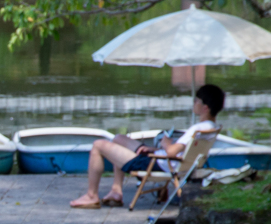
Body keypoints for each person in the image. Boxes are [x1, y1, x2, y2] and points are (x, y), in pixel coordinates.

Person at [69, 84, 224, 209]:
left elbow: (171, 151)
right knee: (118, 139)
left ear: (205, 107)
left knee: (98, 145)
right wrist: (156, 150)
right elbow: (177, 153)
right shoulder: (209, 127)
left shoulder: (197, 129)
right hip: (165, 160)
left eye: (196, 101)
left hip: (157, 164)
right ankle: (116, 191)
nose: (194, 103)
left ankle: (91, 196)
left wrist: (165, 141)